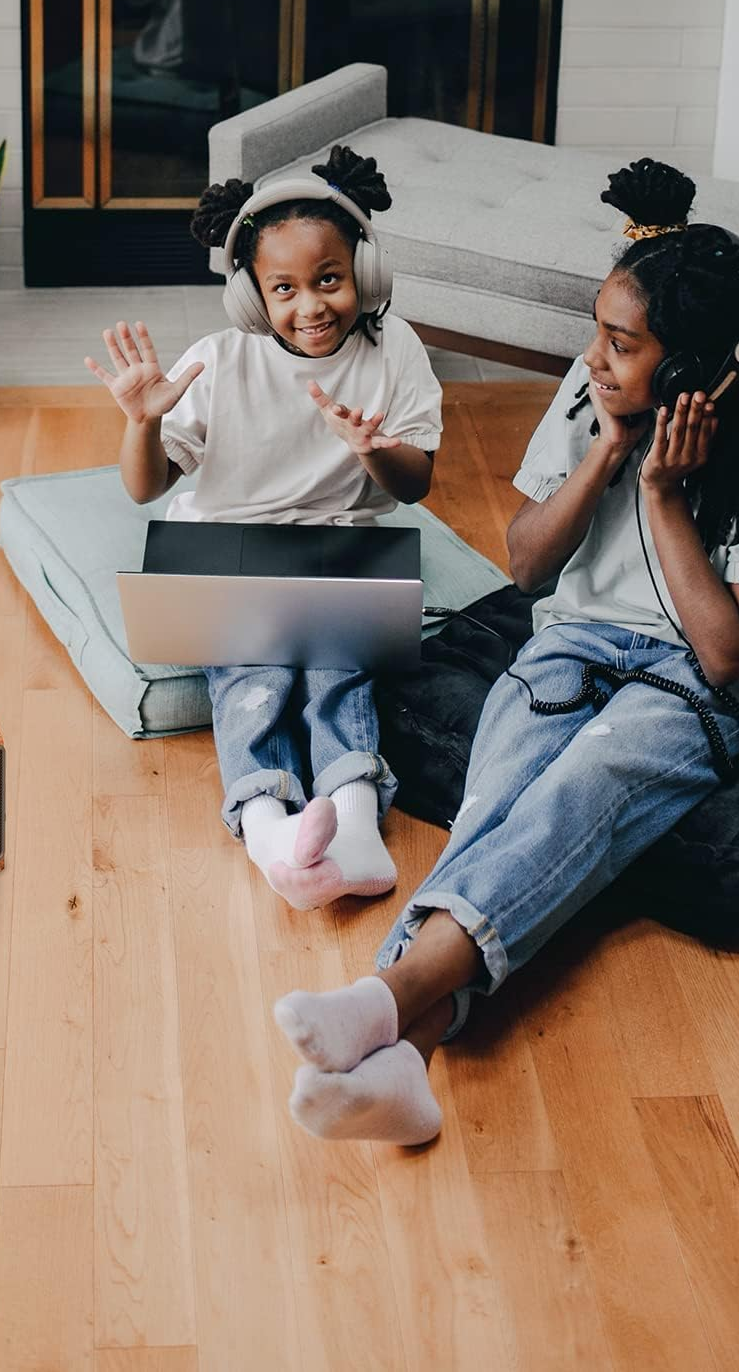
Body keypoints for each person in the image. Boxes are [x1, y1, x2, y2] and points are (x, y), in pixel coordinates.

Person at [272, 157, 739, 1142]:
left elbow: (726, 651)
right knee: (501, 800)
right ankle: (412, 1045)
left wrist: (660, 493)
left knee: (586, 788)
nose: (593, 358)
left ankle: (385, 998)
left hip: (694, 685)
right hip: (569, 641)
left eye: (620, 345)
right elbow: (526, 567)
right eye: (598, 335)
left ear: (691, 369)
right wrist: (612, 448)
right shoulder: (593, 389)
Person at [87, 145, 443, 909]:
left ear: (366, 274)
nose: (309, 306)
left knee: (336, 670)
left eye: (329, 280)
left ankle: (353, 828)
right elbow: (145, 487)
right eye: (283, 288)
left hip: (341, 542)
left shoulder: (397, 348)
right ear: (252, 295)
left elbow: (417, 486)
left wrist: (377, 452)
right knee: (255, 678)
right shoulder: (219, 358)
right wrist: (142, 425)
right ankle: (272, 833)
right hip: (224, 544)